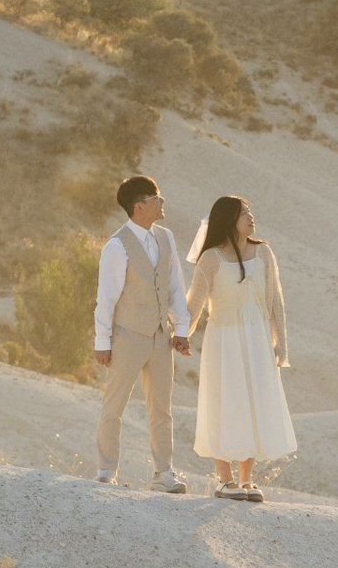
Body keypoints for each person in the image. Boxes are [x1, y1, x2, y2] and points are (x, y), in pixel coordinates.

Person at [185, 193, 294, 501]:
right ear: (228, 219)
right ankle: (224, 480)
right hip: (224, 340)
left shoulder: (264, 253)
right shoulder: (210, 258)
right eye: (244, 213)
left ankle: (247, 480)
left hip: (257, 339)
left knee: (254, 404)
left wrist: (279, 345)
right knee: (225, 403)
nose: (251, 217)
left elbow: (275, 302)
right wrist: (180, 334)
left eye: (250, 211)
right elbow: (193, 305)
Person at [91, 174, 190, 491]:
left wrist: (182, 327)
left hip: (161, 335)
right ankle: (106, 470)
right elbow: (106, 298)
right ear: (139, 205)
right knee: (114, 405)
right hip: (128, 335)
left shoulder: (167, 238)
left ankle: (164, 473)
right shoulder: (117, 246)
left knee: (162, 408)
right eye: (156, 197)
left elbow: (175, 285)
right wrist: (102, 342)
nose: (162, 201)